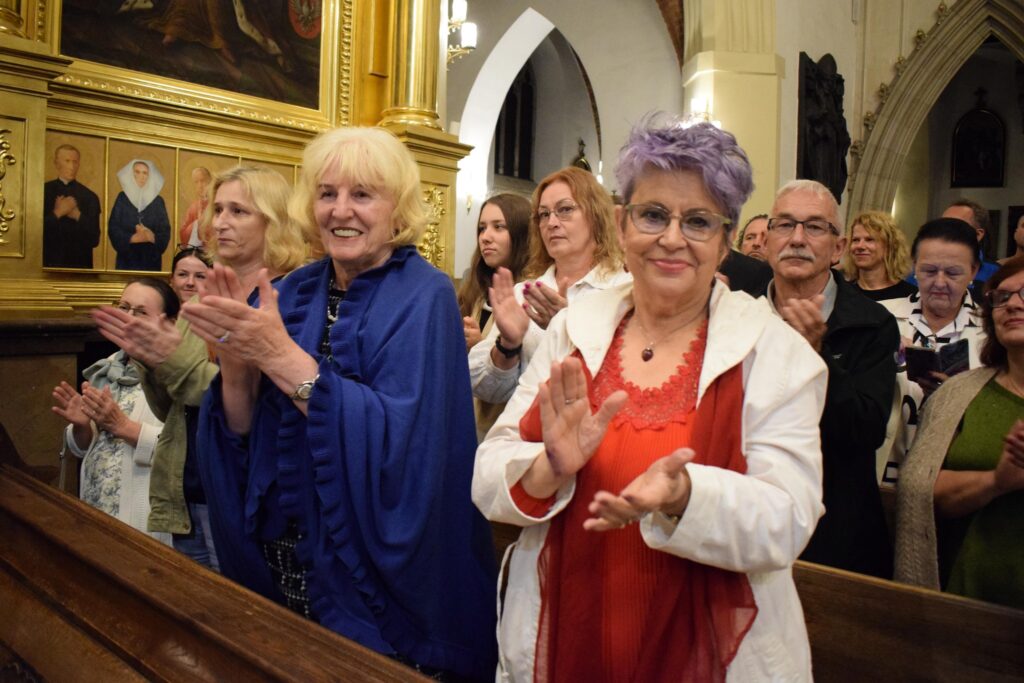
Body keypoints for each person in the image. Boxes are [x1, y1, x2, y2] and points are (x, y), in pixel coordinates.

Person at [474, 117, 827, 681]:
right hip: (571, 625)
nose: (672, 238)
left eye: (699, 221)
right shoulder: (574, 329)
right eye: (654, 214)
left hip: (704, 648)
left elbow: (789, 518)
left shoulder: (775, 352)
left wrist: (686, 494)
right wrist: (548, 467)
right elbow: (488, 471)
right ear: (621, 223)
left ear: (726, 240)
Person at [181, 127, 496, 679]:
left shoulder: (425, 295)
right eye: (327, 194)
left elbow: (402, 444)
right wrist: (235, 369)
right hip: (286, 563)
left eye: (362, 195)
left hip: (371, 581)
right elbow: (246, 436)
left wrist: (280, 357)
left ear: (397, 210)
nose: (340, 210)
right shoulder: (294, 289)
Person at [93, 166, 306, 572]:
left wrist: (173, 360)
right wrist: (149, 359)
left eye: (238, 211)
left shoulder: (290, 300)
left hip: (249, 497)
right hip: (188, 489)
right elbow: (171, 410)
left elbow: (252, 404)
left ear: (274, 220)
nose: (220, 222)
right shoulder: (198, 303)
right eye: (218, 209)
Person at [762, 179, 898, 578]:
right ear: (767, 241)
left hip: (836, 529)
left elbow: (866, 429)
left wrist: (817, 354)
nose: (797, 238)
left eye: (814, 227)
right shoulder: (738, 314)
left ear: (838, 248)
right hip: (753, 518)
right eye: (785, 224)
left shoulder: (871, 324)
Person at [895, 257, 1024, 609]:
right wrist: (997, 481)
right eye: (1002, 297)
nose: (1013, 304)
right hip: (970, 593)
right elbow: (924, 490)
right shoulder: (959, 394)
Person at [468, 167, 630, 408]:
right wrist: (508, 345)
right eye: (544, 214)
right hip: (525, 428)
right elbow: (485, 389)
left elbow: (629, 382)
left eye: (565, 210)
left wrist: (567, 328)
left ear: (595, 215)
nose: (551, 223)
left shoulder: (624, 290)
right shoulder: (525, 293)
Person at [52, 278, 176, 545]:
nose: (128, 318)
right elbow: (85, 448)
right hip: (97, 509)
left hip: (144, 519)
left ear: (168, 324)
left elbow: (187, 451)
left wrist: (124, 427)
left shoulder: (176, 376)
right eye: (123, 307)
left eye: (141, 312)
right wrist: (82, 426)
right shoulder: (107, 367)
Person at [456, 193, 531, 440]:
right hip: (468, 420)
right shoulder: (475, 289)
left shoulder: (532, 292)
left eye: (498, 227)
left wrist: (483, 346)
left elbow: (531, 371)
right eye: (482, 228)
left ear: (522, 234)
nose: (485, 237)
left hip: (509, 430)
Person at [43, 144, 101, 269]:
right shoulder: (43, 191)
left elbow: (94, 240)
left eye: (75, 162)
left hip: (80, 266)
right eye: (67, 161)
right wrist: (58, 213)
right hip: (49, 264)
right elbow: (33, 235)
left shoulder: (90, 196)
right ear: (56, 163)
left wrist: (77, 215)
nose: (72, 167)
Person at [109, 159, 172, 272]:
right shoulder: (122, 198)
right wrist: (133, 238)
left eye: (145, 173)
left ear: (149, 176)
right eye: (137, 172)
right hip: (126, 260)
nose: (141, 177)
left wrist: (151, 237)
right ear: (131, 174)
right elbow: (113, 227)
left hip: (151, 261)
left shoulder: (158, 201)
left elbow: (165, 231)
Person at [842, 210, 916, 302]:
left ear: (889, 246)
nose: (860, 246)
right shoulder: (841, 293)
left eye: (869, 239)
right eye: (855, 240)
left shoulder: (911, 297)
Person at [940, 198, 999, 287]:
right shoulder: (922, 269)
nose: (945, 230)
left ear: (978, 234)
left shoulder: (996, 273)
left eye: (955, 226)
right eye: (941, 225)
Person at [179, 166, 212, 247]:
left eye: (202, 181)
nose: (200, 185)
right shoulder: (193, 207)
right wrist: (196, 224)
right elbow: (183, 233)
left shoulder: (216, 204)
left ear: (209, 182)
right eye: (196, 182)